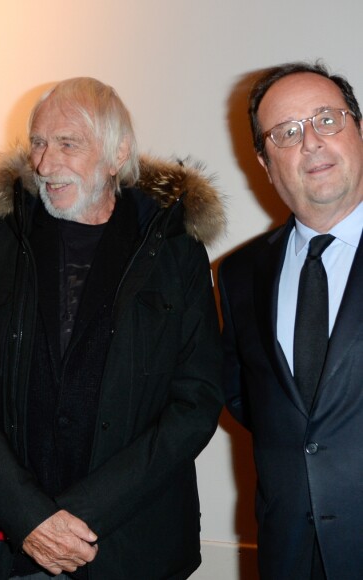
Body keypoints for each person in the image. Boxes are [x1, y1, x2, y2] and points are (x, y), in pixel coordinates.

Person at [0, 76, 224, 580]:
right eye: (39, 144)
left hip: (132, 548)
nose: (46, 163)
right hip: (6, 546)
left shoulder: (176, 254)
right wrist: (29, 516)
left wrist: (86, 513)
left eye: (69, 143)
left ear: (118, 153)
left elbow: (195, 402)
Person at [220, 61, 363, 579]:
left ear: (358, 129)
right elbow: (248, 400)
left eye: (327, 119)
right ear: (264, 161)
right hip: (288, 556)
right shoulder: (237, 275)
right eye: (287, 132)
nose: (311, 143)